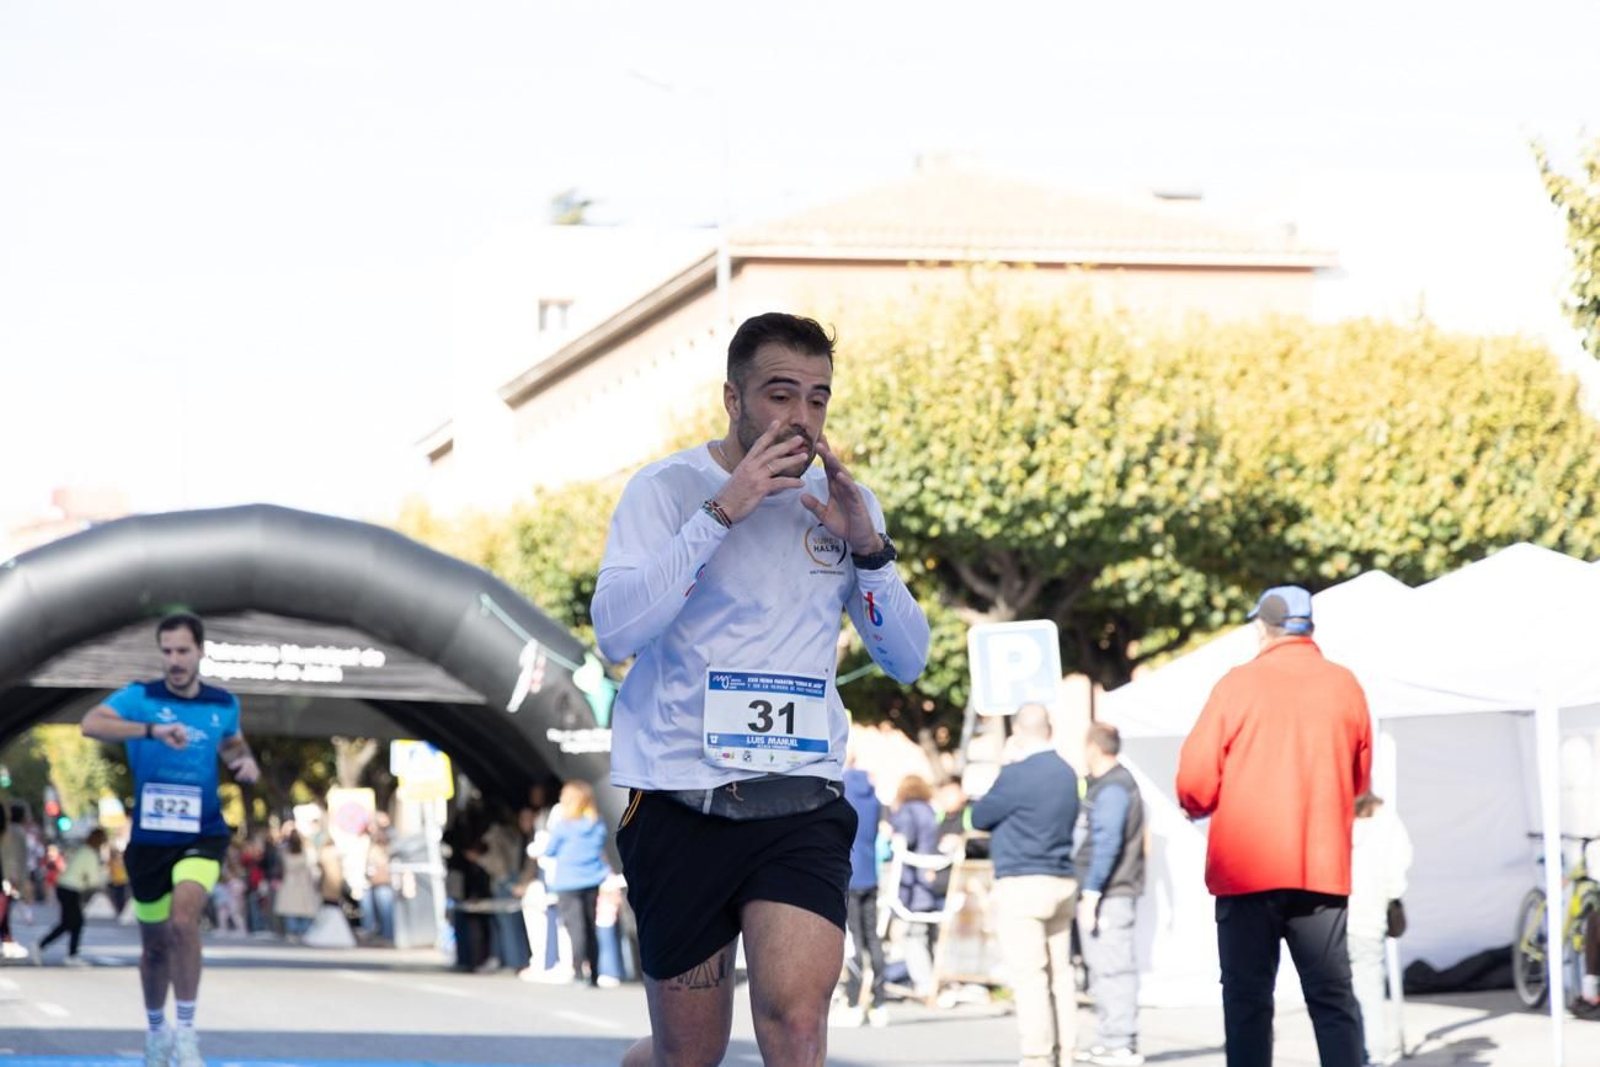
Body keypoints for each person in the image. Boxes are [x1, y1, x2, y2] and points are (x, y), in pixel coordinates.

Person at [592, 311, 930, 1066]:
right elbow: (616, 632)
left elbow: (909, 658)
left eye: (818, 398)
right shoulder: (668, 490)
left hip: (801, 799)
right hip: (682, 797)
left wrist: (869, 550)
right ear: (732, 398)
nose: (801, 418)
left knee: (797, 1024)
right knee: (689, 1055)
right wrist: (725, 509)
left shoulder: (845, 503)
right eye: (781, 394)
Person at [1176, 586, 1372, 1067]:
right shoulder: (1344, 684)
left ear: (1264, 627)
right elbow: (1359, 781)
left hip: (1246, 873)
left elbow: (1195, 780)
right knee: (1332, 1000)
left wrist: (1196, 805)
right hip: (1320, 868)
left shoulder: (1238, 684)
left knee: (1248, 1002)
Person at [80, 611, 260, 1067]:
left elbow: (233, 743)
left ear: (201, 651)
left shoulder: (223, 703)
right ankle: (157, 1031)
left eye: (183, 651)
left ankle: (187, 1033)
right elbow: (91, 723)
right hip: (149, 841)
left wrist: (245, 762)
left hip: (203, 832)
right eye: (167, 651)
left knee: (184, 921)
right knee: (155, 945)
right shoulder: (141, 697)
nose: (174, 660)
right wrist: (151, 730)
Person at [970, 703, 1082, 1067]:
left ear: (1018, 731)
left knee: (1031, 976)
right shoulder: (1067, 772)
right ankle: (1067, 1052)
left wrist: (1006, 765)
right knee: (1061, 975)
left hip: (1023, 882)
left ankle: (1037, 1056)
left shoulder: (1016, 774)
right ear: (1049, 728)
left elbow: (980, 816)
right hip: (1062, 878)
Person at [1074, 723, 1146, 1067]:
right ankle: (1111, 1038)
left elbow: (1107, 842)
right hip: (1112, 890)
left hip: (1110, 892)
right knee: (1104, 967)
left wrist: (1091, 892)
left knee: (1112, 967)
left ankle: (1120, 1042)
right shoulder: (1113, 784)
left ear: (1093, 748)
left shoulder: (1114, 787)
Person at [1347, 793, 1412, 1067]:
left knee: (1334, 997)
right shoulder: (1385, 818)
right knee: (1369, 990)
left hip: (1332, 917)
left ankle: (1351, 1055)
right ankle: (1374, 1056)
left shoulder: (1330, 812)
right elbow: (1400, 862)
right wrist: (1389, 895)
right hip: (1369, 916)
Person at [539, 780, 611, 986]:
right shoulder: (596, 823)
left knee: (575, 928)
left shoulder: (563, 825)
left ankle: (579, 971)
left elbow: (550, 850)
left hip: (568, 882)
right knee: (590, 926)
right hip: (592, 879)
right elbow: (600, 847)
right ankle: (595, 973)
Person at [835, 758, 889, 1027]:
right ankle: (880, 1001)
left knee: (853, 939)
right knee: (873, 938)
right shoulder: (875, 800)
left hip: (850, 875)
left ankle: (855, 1001)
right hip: (871, 875)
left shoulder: (843, 795)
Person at [35, 828, 109, 965]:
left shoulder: (82, 850)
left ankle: (71, 954)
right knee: (72, 922)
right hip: (71, 889)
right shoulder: (91, 855)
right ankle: (43, 946)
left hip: (64, 887)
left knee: (74, 922)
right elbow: (93, 880)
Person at [273, 830, 319, 937]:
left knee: (291, 908)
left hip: (290, 882)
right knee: (303, 908)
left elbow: (283, 868)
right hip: (302, 882)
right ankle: (303, 931)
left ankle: (292, 931)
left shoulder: (285, 852)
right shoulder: (305, 852)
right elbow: (310, 867)